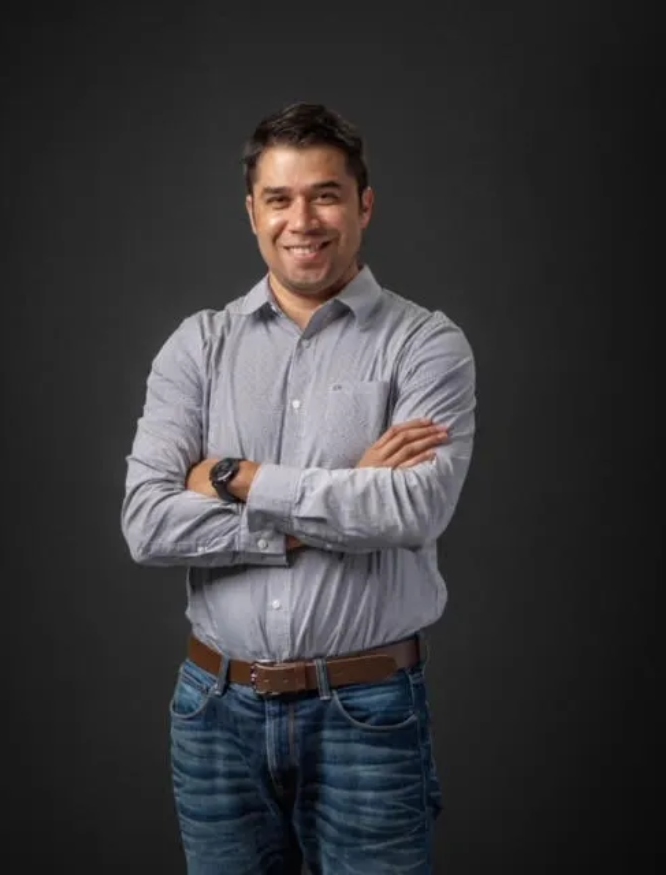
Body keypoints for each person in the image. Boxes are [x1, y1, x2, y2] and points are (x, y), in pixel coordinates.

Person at [121, 101, 476, 875]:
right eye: (279, 198)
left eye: (325, 195)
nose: (302, 220)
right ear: (252, 212)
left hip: (367, 714)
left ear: (364, 205)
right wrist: (333, 502)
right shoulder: (197, 346)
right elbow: (147, 522)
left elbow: (413, 508)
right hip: (213, 713)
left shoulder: (425, 344)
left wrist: (235, 477)